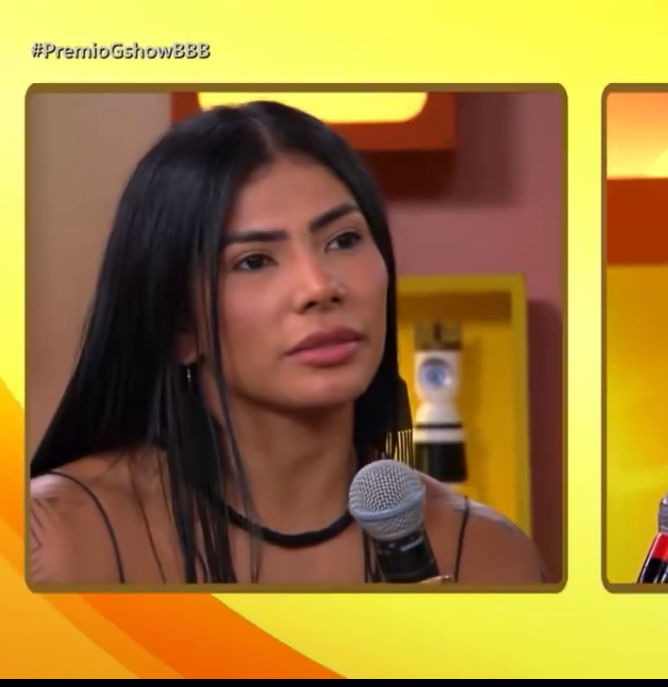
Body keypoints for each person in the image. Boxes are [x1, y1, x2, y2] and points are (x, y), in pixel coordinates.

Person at [28, 100, 548, 586]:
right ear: (180, 328)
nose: (320, 286)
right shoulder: (58, 539)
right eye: (254, 261)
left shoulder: (488, 556)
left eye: (343, 240)